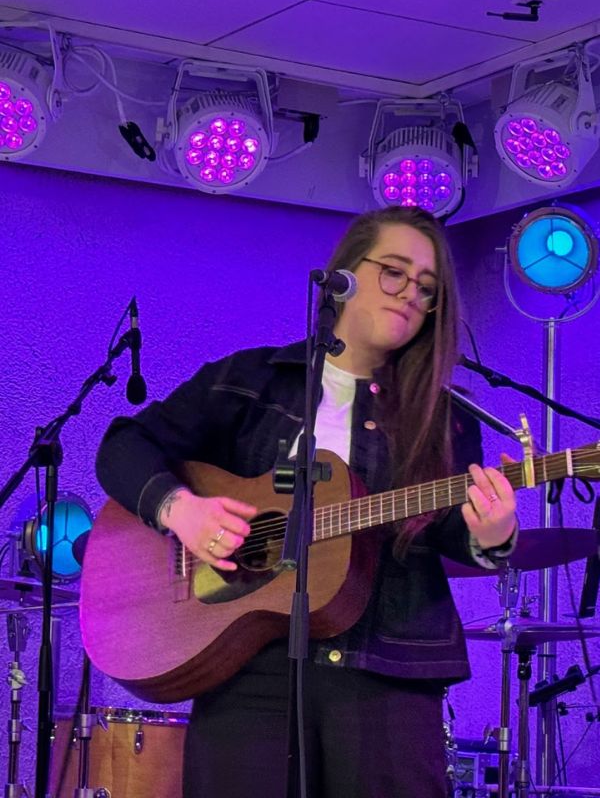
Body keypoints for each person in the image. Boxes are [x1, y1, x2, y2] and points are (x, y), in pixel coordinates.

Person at [95, 206, 517, 798]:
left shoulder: (443, 416)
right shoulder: (249, 380)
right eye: (393, 272)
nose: (410, 296)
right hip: (247, 669)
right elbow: (124, 447)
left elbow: (451, 530)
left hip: (385, 674)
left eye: (427, 289)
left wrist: (491, 535)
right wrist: (180, 510)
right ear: (344, 273)